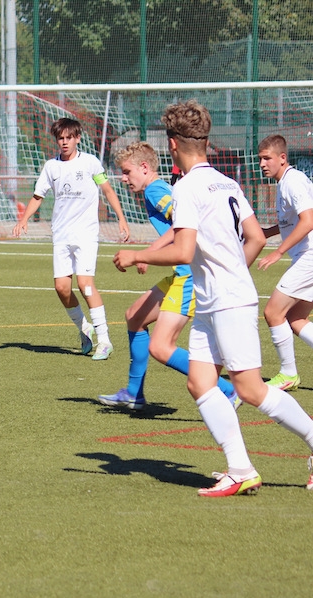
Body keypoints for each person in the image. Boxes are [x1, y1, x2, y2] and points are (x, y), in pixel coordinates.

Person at [114, 100, 313, 496]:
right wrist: (233, 272)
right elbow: (255, 237)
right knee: (201, 383)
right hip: (215, 299)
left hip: (226, 300)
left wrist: (137, 255)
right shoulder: (227, 182)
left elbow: (183, 250)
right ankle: (240, 470)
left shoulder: (186, 188)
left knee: (250, 389)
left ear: (173, 144)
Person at [98, 142, 238, 410]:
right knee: (135, 316)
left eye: (127, 172)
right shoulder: (156, 189)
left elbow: (183, 223)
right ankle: (134, 393)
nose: (123, 178)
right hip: (181, 273)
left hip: (189, 275)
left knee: (161, 347)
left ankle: (229, 390)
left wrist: (145, 254)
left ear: (144, 167)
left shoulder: (155, 191)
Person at [13, 117, 130, 360]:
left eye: (69, 137)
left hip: (86, 234)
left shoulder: (90, 163)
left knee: (85, 284)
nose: (64, 142)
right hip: (61, 235)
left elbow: (107, 190)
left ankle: (104, 341)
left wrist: (121, 218)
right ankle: (84, 328)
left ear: (77, 138)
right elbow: (38, 196)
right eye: (60, 138)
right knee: (62, 288)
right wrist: (24, 220)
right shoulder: (51, 167)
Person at [254, 134, 313, 391]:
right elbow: (291, 221)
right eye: (260, 159)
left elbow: (308, 221)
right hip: (306, 256)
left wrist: (277, 252)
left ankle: (288, 374)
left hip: (309, 256)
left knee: (273, 312)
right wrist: (264, 233)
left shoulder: (293, 182)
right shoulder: (285, 182)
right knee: (296, 318)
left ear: (282, 158)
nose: (262, 164)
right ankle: (289, 374)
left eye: (267, 158)